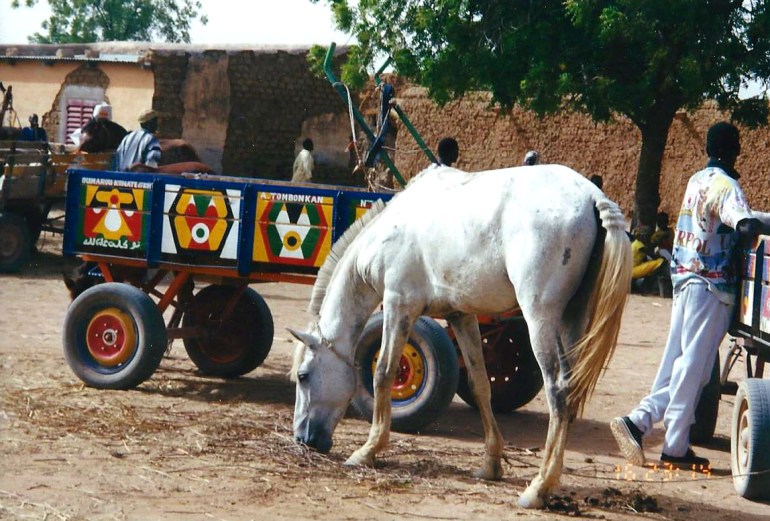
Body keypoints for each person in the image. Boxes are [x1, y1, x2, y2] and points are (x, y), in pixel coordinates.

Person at [611, 121, 770, 469]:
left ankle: (676, 444)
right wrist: (758, 223)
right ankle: (639, 421)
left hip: (684, 281)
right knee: (693, 370)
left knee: (678, 363)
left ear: (708, 149)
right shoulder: (727, 186)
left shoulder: (696, 180)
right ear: (735, 150)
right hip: (711, 286)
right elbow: (743, 224)